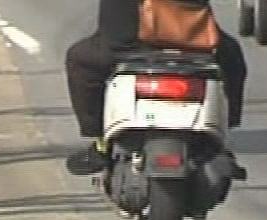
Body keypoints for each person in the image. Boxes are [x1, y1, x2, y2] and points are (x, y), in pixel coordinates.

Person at [64, 0, 248, 176]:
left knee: (79, 60)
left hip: (126, 45)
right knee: (232, 59)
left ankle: (101, 143)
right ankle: (222, 138)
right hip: (192, 42)